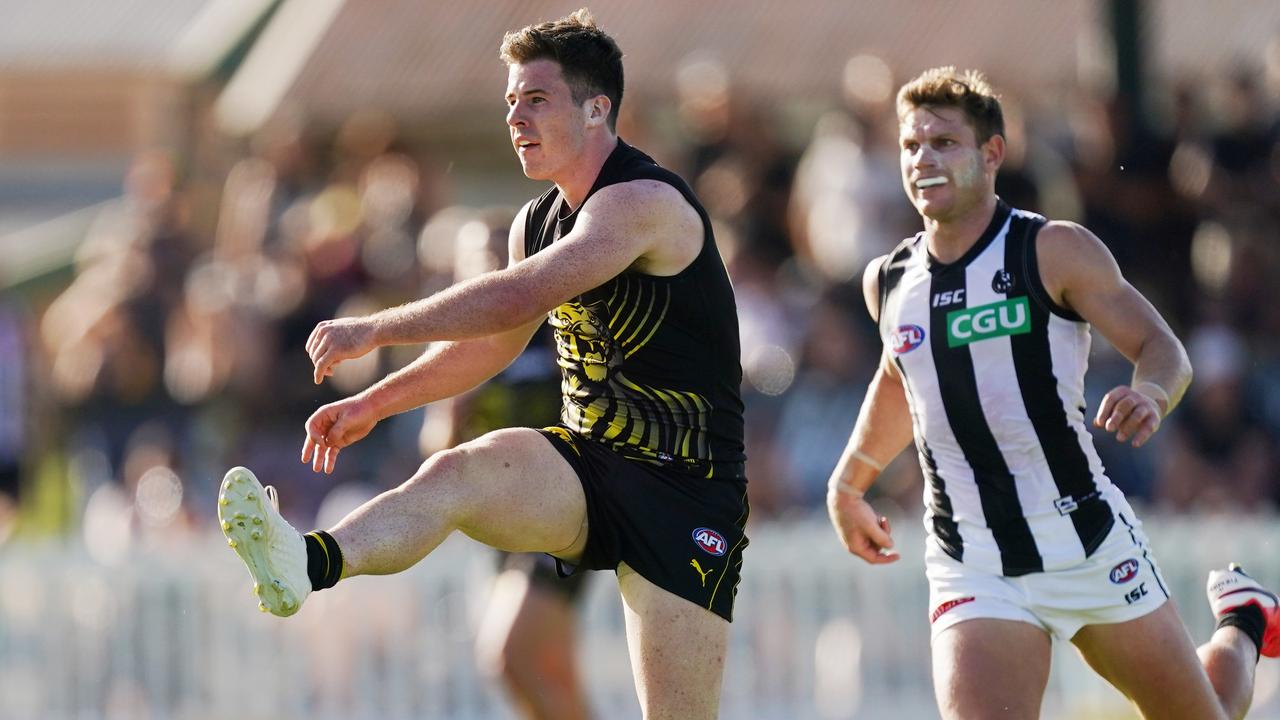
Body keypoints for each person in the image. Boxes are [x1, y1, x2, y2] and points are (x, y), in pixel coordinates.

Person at [217, 9, 748, 719]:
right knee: (457, 473)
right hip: (588, 466)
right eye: (510, 102)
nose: (516, 117)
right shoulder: (537, 220)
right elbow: (492, 346)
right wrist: (376, 402)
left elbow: (519, 296)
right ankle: (305, 560)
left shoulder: (643, 202)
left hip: (688, 491)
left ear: (598, 109)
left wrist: (373, 329)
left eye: (536, 99)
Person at [825, 66, 1279, 720]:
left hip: (1083, 539)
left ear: (992, 154)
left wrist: (1150, 393)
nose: (923, 158)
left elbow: (1164, 350)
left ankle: (1242, 620)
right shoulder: (888, 280)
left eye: (944, 143)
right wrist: (851, 480)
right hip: (973, 557)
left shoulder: (1053, 250)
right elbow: (904, 377)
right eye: (910, 145)